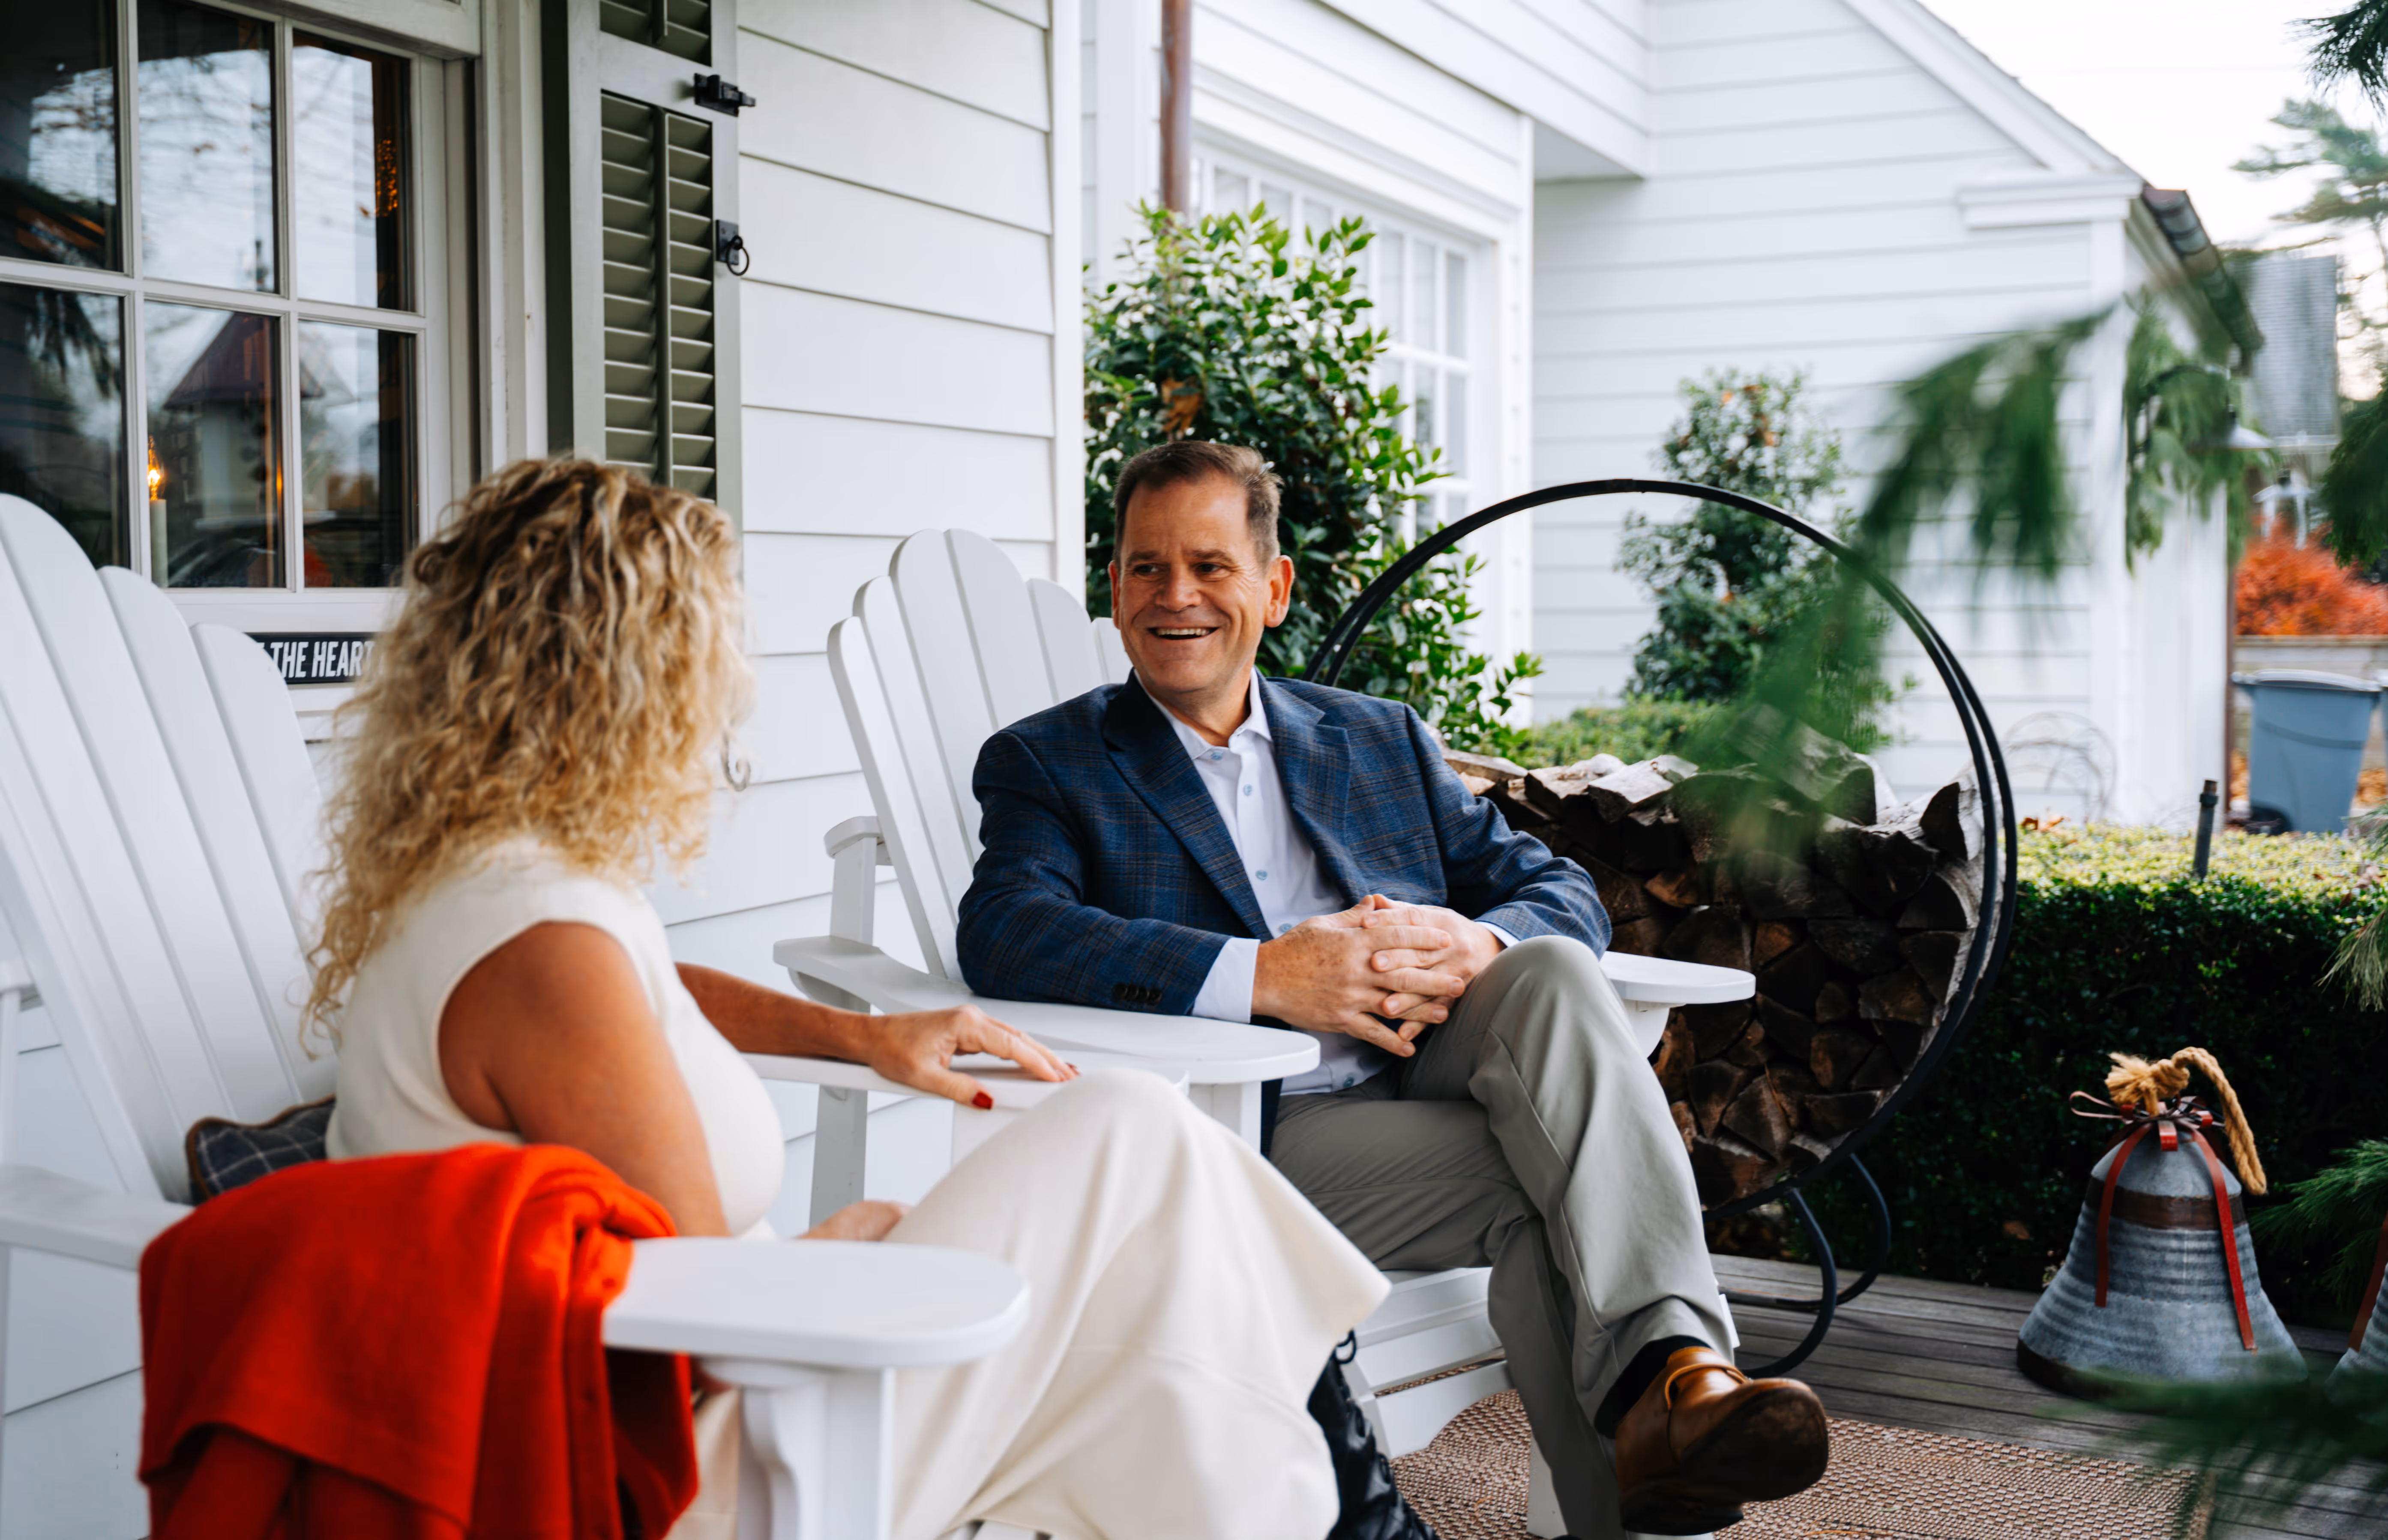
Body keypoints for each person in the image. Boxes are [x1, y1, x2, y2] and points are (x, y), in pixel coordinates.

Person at [312, 458, 1388, 1540]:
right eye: (702, 663)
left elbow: (647, 991)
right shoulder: (543, 950)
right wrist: (837, 1254)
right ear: (621, 686)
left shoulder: (502, 890)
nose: (721, 704)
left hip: (742, 1400)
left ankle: (1338, 1503)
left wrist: (861, 1037)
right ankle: (1357, 1497)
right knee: (1134, 1129)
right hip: (718, 1468)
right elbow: (710, 1317)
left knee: (1147, 1319)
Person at [956, 441, 1833, 1539]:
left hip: (1430, 1070)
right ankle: (1664, 1423)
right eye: (1144, 568)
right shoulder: (1051, 762)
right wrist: (1265, 976)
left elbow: (1554, 886)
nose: (1174, 596)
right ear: (1117, 588)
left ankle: (1676, 1369)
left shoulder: (1374, 740)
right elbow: (1005, 933)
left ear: (1271, 589)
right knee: (1550, 1193)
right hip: (1248, 1138)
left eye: (1208, 566)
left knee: (1549, 966)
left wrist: (1480, 942)